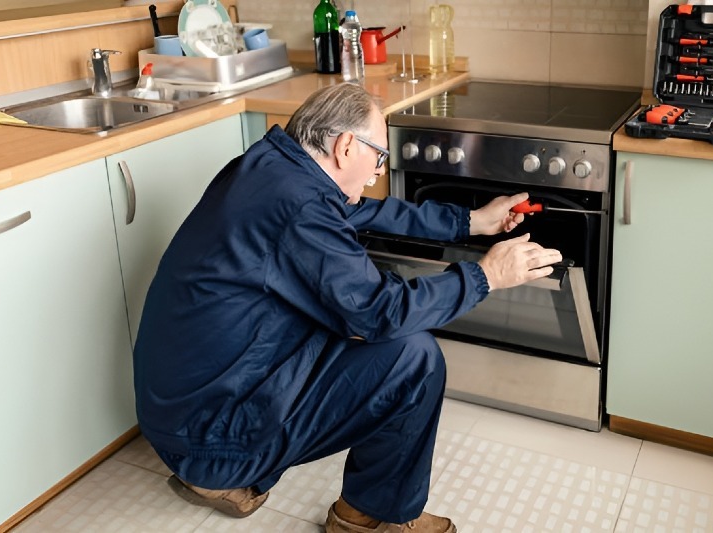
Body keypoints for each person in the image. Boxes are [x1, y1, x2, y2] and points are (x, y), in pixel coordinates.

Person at [133, 83, 561, 533]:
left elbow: (371, 214)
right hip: (208, 438)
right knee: (412, 357)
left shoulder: (269, 168)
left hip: (180, 416)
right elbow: (382, 314)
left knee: (342, 316)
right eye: (378, 157)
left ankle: (214, 476)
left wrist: (470, 221)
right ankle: (369, 518)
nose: (378, 172)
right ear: (345, 146)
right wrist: (485, 276)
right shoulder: (299, 205)